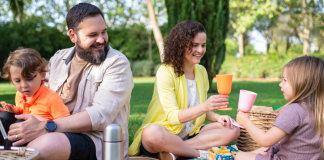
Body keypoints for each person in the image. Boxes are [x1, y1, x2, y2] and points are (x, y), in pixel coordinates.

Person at [5, 3, 133, 160]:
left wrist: (47, 127)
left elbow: (100, 116)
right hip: (51, 129)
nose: (101, 40)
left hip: (96, 140)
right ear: (73, 36)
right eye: (92, 35)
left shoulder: (117, 63)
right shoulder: (58, 58)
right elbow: (40, 96)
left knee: (42, 147)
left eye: (104, 32)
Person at [128, 20, 240, 159]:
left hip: (190, 134)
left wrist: (217, 117)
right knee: (151, 133)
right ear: (180, 45)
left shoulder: (201, 71)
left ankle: (175, 151)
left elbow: (200, 111)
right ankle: (199, 153)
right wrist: (205, 106)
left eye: (203, 45)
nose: (200, 50)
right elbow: (174, 118)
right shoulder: (165, 72)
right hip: (165, 133)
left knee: (233, 129)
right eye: (194, 45)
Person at [235, 56, 324, 160]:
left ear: (301, 82)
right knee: (265, 149)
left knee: (239, 156)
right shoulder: (319, 110)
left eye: (285, 80)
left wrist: (245, 121)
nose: (280, 84)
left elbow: (265, 140)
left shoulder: (294, 110)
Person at [0, 48, 70, 144]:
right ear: (11, 80)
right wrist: (14, 110)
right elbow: (23, 111)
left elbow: (65, 124)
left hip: (39, 136)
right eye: (17, 81)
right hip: (22, 130)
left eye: (29, 78)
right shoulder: (20, 94)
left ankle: (8, 149)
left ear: (42, 75)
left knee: (21, 123)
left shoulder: (51, 98)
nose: (24, 85)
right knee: (3, 116)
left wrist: (41, 121)